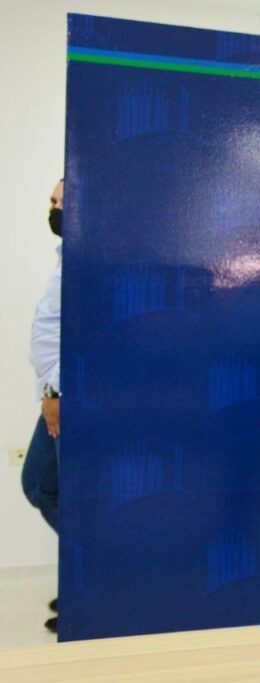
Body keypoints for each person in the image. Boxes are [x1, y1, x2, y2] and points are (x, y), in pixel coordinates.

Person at [24, 178, 63, 633]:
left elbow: (82, 334)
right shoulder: (64, 258)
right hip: (51, 394)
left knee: (47, 486)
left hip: (63, 397)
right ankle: (84, 573)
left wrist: (55, 393)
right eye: (51, 201)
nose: (52, 209)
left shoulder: (86, 262)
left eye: (59, 202)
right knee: (39, 484)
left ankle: (91, 581)